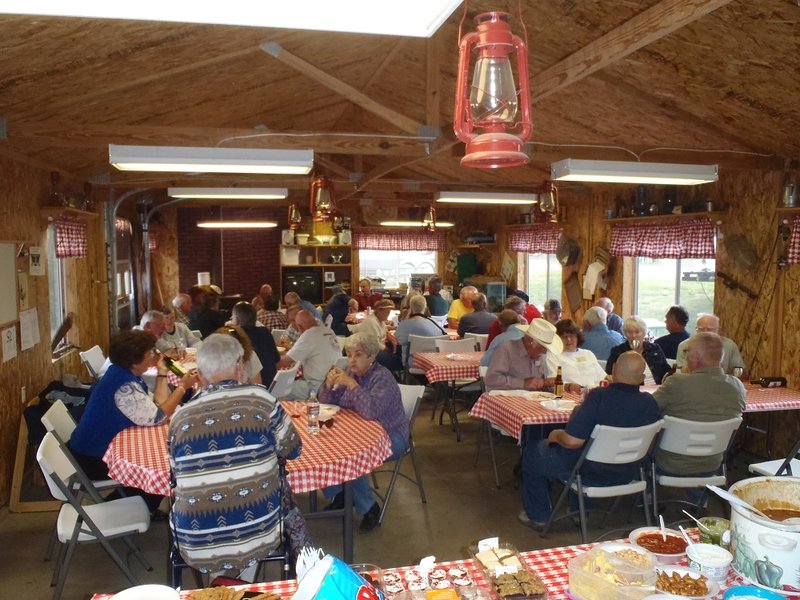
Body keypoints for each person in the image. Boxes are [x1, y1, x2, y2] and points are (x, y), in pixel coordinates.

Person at [169, 333, 302, 576]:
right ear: (240, 366)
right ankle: (239, 583)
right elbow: (293, 450)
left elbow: (177, 474)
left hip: (195, 541)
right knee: (251, 519)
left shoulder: (179, 417)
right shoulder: (262, 400)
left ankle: (222, 582)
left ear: (199, 374)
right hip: (257, 531)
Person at [518, 352, 661, 529]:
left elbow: (572, 441)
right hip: (630, 472)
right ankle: (580, 511)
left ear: (614, 369)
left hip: (589, 473)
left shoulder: (599, 397)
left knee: (533, 450)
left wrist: (555, 435)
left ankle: (539, 516)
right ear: (641, 377)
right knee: (583, 452)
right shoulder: (650, 403)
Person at [68, 329, 200, 514]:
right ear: (136, 361)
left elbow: (158, 406)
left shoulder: (121, 373)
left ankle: (138, 506)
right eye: (150, 353)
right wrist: (183, 387)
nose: (153, 356)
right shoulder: (124, 387)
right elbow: (158, 418)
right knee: (160, 470)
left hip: (92, 448)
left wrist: (162, 373)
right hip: (91, 458)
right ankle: (122, 512)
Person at [318, 333, 408, 533]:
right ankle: (339, 494)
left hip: (391, 435)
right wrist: (328, 385)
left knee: (352, 454)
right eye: (349, 354)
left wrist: (352, 385)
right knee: (322, 441)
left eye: (358, 355)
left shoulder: (382, 378)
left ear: (372, 356)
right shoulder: (350, 373)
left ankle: (369, 508)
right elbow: (326, 405)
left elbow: (370, 412)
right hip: (356, 431)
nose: (351, 360)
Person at [653, 332, 746, 477]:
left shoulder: (676, 383)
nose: (686, 355)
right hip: (712, 463)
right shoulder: (737, 387)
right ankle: (699, 496)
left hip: (670, 463)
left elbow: (648, 410)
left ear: (696, 356)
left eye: (687, 351)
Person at [277, 309, 342, 399]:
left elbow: (284, 362)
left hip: (317, 386)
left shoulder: (309, 335)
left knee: (278, 386)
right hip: (336, 383)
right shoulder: (329, 331)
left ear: (300, 326)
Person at [484, 318, 563, 391]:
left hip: (532, 400)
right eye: (543, 347)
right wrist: (522, 383)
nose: (545, 352)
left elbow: (538, 382)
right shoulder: (506, 349)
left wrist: (546, 383)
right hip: (508, 400)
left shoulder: (540, 354)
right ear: (530, 342)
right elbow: (491, 379)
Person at [606, 316, 670, 384]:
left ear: (643, 333)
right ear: (625, 334)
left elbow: (666, 371)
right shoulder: (618, 351)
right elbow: (609, 373)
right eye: (629, 332)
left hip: (656, 387)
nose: (633, 335)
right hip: (630, 390)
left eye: (637, 332)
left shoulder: (654, 349)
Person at [230, 301, 280, 387]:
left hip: (254, 388)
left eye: (232, 318)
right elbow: (277, 359)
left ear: (237, 320)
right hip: (272, 385)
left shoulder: (236, 337)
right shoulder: (265, 332)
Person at [675, 314, 745, 375]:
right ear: (696, 329)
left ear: (718, 330)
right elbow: (681, 372)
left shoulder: (729, 345)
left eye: (710, 329)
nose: (705, 333)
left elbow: (739, 369)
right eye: (701, 329)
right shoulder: (684, 346)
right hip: (693, 384)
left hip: (721, 384)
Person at [552, 319, 607, 390]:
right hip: (570, 394)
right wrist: (569, 386)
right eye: (564, 337)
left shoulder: (588, 353)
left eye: (571, 336)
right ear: (557, 339)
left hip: (594, 392)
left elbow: (602, 377)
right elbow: (552, 382)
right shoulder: (554, 355)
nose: (568, 339)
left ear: (577, 336)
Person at [395, 294, 447, 367]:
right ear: (425, 308)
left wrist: (406, 318)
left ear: (411, 308)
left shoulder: (405, 324)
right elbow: (445, 337)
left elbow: (398, 341)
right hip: (434, 363)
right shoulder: (435, 323)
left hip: (412, 364)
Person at [347, 298, 400, 371]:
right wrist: (386, 349)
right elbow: (374, 343)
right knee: (393, 360)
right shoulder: (371, 322)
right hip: (368, 351)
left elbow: (384, 331)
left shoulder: (380, 321)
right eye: (387, 312)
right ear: (379, 311)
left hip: (376, 349)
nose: (388, 315)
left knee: (396, 350)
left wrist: (390, 337)